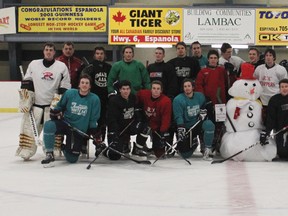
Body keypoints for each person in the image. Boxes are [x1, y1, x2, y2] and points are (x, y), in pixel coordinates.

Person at [16, 42, 71, 160]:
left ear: (54, 52)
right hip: (35, 105)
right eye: (46, 49)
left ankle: (53, 149)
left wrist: (58, 105)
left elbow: (64, 87)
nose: (48, 52)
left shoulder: (61, 67)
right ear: (43, 51)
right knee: (28, 128)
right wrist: (26, 100)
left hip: (51, 107)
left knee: (52, 131)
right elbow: (27, 83)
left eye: (51, 50)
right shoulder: (34, 64)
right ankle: (27, 149)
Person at [41, 74, 101, 167]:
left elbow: (93, 118)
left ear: (90, 86)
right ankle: (49, 153)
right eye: (82, 83)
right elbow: (59, 106)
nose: (84, 85)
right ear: (79, 85)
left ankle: (62, 147)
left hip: (78, 130)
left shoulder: (94, 99)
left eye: (87, 83)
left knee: (72, 159)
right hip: (65, 124)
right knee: (49, 125)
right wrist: (55, 112)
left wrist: (94, 132)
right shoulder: (70, 93)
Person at [105, 80, 151, 160]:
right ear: (120, 90)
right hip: (117, 129)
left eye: (127, 89)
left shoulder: (133, 98)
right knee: (114, 156)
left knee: (146, 127)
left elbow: (138, 111)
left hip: (130, 126)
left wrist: (139, 118)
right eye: (123, 89)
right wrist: (115, 133)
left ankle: (137, 149)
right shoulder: (114, 101)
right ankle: (104, 150)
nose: (126, 91)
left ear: (130, 89)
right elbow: (111, 119)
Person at [173, 78, 215, 160]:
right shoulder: (178, 100)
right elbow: (178, 115)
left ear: (193, 87)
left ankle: (208, 149)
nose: (187, 88)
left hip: (197, 123)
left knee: (209, 124)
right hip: (187, 127)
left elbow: (206, 104)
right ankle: (194, 143)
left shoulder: (200, 96)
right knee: (185, 155)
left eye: (189, 86)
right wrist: (180, 127)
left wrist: (204, 110)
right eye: (185, 86)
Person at [195, 49, 227, 151]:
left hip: (220, 103)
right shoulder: (203, 72)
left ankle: (217, 144)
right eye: (211, 58)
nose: (213, 60)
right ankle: (205, 143)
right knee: (208, 124)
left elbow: (227, 84)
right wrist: (204, 99)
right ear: (208, 60)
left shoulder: (221, 71)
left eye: (215, 58)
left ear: (218, 59)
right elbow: (198, 86)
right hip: (207, 104)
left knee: (220, 125)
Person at [81, 46, 112, 147]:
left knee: (102, 122)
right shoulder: (90, 66)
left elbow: (112, 81)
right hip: (91, 99)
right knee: (87, 121)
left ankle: (100, 143)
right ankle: (83, 144)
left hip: (104, 99)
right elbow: (83, 81)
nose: (99, 55)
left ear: (105, 55)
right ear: (94, 55)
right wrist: (85, 72)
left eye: (101, 53)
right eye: (97, 53)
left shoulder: (109, 67)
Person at [136, 80, 172, 157]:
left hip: (157, 127)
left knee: (160, 154)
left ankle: (154, 148)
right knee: (145, 128)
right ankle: (138, 148)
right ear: (151, 89)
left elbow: (166, 118)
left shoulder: (166, 101)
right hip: (146, 124)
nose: (156, 90)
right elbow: (135, 96)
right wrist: (137, 109)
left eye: (158, 89)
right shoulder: (144, 94)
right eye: (154, 88)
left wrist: (162, 133)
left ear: (161, 90)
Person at [253, 48, 287, 124]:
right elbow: (254, 81)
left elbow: (284, 84)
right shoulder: (259, 68)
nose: (268, 57)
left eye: (270, 55)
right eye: (267, 55)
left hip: (275, 97)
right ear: (264, 57)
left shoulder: (280, 69)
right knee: (263, 119)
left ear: (274, 57)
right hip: (262, 98)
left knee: (275, 119)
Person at [263, 79, 288, 160]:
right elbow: (271, 118)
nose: (284, 89)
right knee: (282, 153)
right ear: (279, 88)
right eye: (282, 87)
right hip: (280, 130)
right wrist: (267, 132)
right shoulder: (274, 100)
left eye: (286, 86)